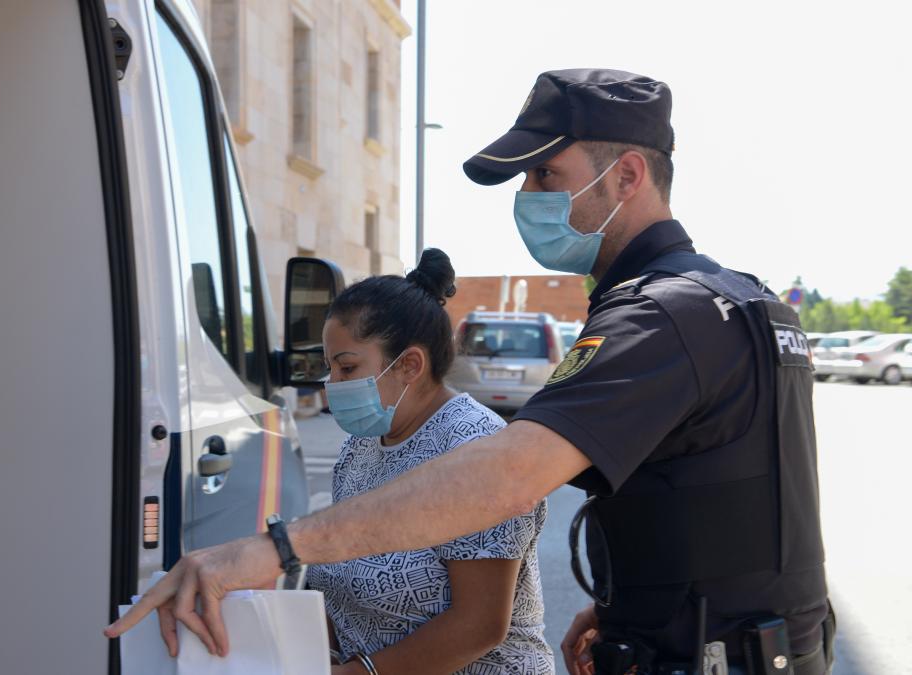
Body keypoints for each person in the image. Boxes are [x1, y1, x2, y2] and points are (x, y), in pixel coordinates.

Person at [107, 69, 832, 675]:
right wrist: (631, 605)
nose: (529, 196)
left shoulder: (659, 317)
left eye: (549, 172)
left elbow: (508, 474)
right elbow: (740, 513)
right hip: (742, 644)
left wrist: (279, 546)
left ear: (630, 174)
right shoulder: (739, 299)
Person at [311, 248, 552, 674]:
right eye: (330, 367)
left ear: (409, 365)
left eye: (346, 368)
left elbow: (478, 625)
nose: (332, 384)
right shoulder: (361, 447)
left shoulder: (477, 450)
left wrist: (358, 672)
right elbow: (338, 582)